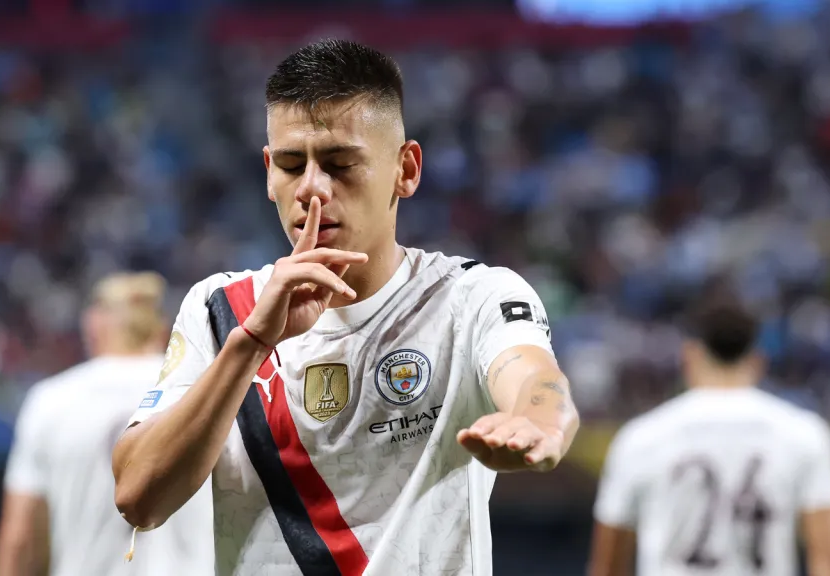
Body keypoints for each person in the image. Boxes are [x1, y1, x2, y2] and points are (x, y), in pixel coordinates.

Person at [113, 39, 579, 576]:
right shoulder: (220, 310)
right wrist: (251, 345)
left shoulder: (471, 297)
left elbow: (537, 383)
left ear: (406, 169)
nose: (312, 187)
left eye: (340, 164)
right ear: (268, 173)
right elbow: (137, 497)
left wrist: (538, 423)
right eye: (291, 164)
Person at [588, 298, 830, 576]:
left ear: (689, 356)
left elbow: (607, 567)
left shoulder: (641, 438)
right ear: (757, 360)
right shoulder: (803, 434)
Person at [0, 272, 214, 576]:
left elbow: (20, 537)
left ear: (93, 325)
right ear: (164, 329)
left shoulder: (51, 402)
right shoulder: (205, 393)